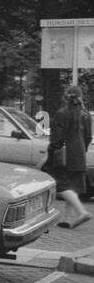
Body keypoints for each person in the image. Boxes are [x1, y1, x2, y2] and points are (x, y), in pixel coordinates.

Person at [48, 84, 92, 229]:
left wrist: (53, 149)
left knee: (60, 184)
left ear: (66, 97)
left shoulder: (62, 113)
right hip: (79, 153)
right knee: (73, 185)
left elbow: (57, 137)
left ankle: (81, 212)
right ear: (80, 97)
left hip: (64, 154)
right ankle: (66, 219)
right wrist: (82, 149)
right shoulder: (85, 114)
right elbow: (88, 136)